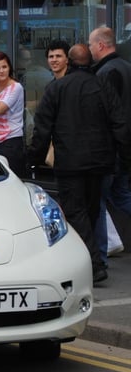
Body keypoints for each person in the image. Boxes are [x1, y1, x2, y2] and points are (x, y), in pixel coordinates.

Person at [27, 44, 131, 284]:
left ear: (70, 62)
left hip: (70, 163)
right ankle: (94, 263)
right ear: (90, 61)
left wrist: (33, 159)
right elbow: (120, 124)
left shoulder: (57, 88)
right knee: (93, 213)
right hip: (101, 163)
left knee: (77, 213)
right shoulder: (102, 85)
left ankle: (93, 265)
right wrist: (124, 159)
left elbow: (43, 128)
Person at [89, 27, 131, 260]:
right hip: (124, 145)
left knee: (102, 199)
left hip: (111, 147)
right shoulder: (126, 67)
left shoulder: (106, 72)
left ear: (101, 45)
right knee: (121, 194)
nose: (90, 49)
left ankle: (101, 257)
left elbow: (107, 113)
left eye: (92, 44)